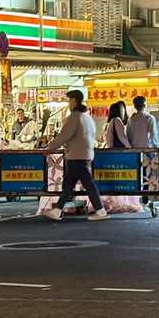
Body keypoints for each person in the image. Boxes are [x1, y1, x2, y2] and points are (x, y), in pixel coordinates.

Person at [41, 90, 107, 221]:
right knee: (70, 184)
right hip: (85, 154)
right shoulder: (87, 117)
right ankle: (57, 210)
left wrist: (50, 148)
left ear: (74, 100)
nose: (68, 103)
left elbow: (63, 136)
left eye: (69, 100)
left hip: (77, 156)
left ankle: (100, 210)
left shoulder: (75, 117)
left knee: (84, 184)